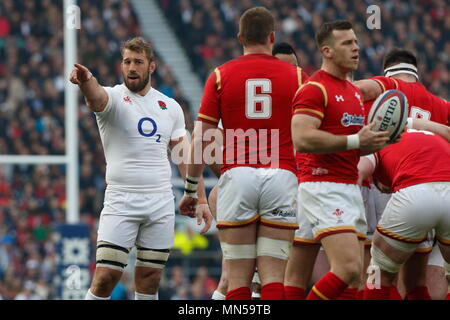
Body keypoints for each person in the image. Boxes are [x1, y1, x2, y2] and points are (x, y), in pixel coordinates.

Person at [69, 36, 212, 300]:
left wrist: (200, 197)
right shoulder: (113, 98)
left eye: (138, 61)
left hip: (159, 202)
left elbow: (184, 156)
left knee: (149, 280)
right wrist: (86, 82)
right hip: (121, 199)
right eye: (126, 62)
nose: (131, 67)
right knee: (105, 278)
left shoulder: (170, 107)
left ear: (152, 66)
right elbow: (95, 97)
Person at [179, 7, 303, 300]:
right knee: (273, 278)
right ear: (272, 37)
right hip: (282, 176)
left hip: (237, 177)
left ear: (240, 38)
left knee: (237, 282)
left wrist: (190, 189)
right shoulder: (298, 77)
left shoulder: (221, 76)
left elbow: (202, 138)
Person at [290, 20, 391, 300]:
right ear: (328, 51)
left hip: (348, 186)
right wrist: (357, 141)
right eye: (347, 43)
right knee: (347, 269)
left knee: (356, 278)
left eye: (356, 42)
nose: (356, 48)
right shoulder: (314, 88)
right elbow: (302, 138)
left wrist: (376, 142)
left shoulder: (354, 93)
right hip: (323, 185)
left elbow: (349, 145)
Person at [354, 48, 450, 299]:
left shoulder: (388, 86)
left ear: (387, 69)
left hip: (395, 185)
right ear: (416, 72)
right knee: (417, 279)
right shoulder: (440, 105)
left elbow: (359, 90)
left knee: (376, 272)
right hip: (439, 181)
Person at [358, 125, 450, 300]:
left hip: (415, 197)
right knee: (420, 281)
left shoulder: (377, 141)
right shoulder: (431, 135)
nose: (387, 191)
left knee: (377, 271)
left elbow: (360, 171)